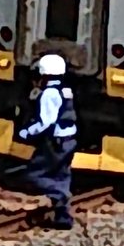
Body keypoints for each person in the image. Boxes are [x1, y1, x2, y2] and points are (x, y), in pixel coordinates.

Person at [16, 53, 80, 228]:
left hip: (55, 141)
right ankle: (63, 217)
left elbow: (46, 121)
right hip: (69, 139)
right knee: (62, 175)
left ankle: (59, 197)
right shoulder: (66, 90)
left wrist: (27, 132)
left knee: (34, 175)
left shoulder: (49, 94)